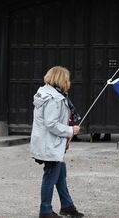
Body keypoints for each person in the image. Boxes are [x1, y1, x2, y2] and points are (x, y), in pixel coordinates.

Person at [30, 66, 84, 218]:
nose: (69, 81)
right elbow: (51, 124)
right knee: (51, 174)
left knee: (60, 171)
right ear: (61, 79)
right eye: (67, 78)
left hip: (48, 143)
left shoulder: (47, 93)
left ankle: (67, 206)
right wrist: (70, 130)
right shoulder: (54, 99)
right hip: (50, 144)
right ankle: (45, 210)